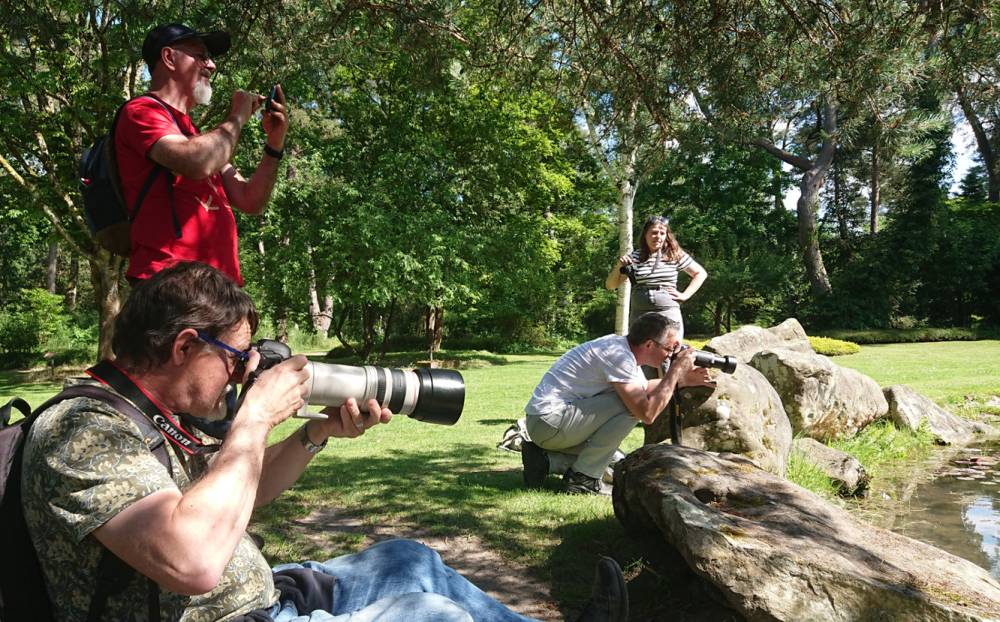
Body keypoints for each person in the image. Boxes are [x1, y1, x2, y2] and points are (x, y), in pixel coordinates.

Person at [21, 261, 627, 622]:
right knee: (428, 616)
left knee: (408, 560)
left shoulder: (149, 412)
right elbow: (194, 560)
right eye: (234, 358)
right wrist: (254, 418)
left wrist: (316, 433)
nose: (241, 374)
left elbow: (237, 496)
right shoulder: (82, 430)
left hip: (264, 593)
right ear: (184, 346)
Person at [116, 23, 288, 286]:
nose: (211, 65)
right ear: (169, 58)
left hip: (218, 288)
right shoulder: (141, 111)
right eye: (201, 56)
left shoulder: (197, 137)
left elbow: (250, 200)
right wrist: (238, 116)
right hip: (172, 282)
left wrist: (274, 144)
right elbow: (198, 162)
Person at [521, 313, 712, 495]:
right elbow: (647, 413)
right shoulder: (619, 356)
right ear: (649, 344)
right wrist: (676, 370)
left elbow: (643, 388)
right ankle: (583, 479)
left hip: (550, 423)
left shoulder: (621, 349)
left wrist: (684, 380)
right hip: (550, 422)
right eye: (669, 349)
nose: (670, 356)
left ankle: (544, 460)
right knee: (631, 407)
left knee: (619, 461)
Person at [605, 215, 707, 341]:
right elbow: (610, 285)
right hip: (640, 312)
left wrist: (684, 295)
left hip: (667, 310)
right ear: (645, 235)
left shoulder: (674, 254)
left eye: (662, 233)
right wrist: (619, 266)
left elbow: (700, 273)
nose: (658, 237)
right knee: (639, 349)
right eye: (653, 233)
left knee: (668, 348)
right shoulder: (634, 257)